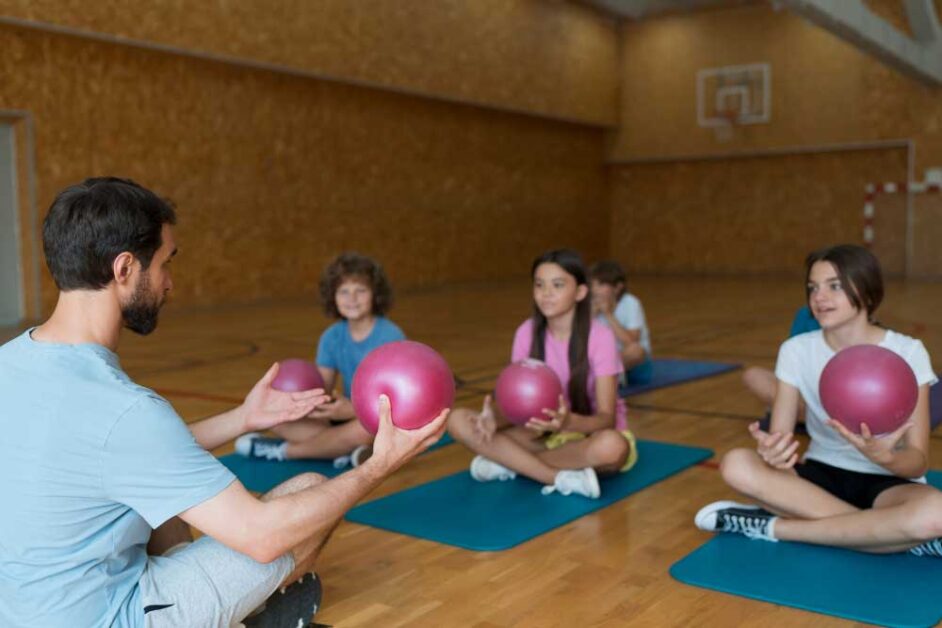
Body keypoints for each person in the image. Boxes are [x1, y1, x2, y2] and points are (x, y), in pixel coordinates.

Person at [0, 177, 448, 628]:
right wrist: (377, 466)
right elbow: (263, 537)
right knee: (307, 490)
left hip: (24, 611)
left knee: (164, 497)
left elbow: (123, 456)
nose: (169, 283)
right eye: (164, 264)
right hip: (114, 617)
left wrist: (243, 419)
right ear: (124, 270)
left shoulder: (10, 363)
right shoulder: (125, 410)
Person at [696, 244, 942, 557]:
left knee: (937, 513)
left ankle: (773, 528)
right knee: (736, 464)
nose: (819, 298)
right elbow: (781, 438)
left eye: (834, 286)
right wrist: (774, 453)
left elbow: (918, 460)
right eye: (813, 287)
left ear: (867, 291)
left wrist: (885, 458)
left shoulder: (908, 352)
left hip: (888, 484)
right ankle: (884, 533)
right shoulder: (796, 350)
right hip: (820, 476)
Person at [447, 249, 636, 500]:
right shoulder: (526, 332)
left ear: (580, 292)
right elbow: (517, 408)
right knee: (458, 419)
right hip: (542, 434)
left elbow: (607, 418)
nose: (546, 293)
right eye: (539, 284)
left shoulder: (600, 337)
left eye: (557, 285)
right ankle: (556, 477)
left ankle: (510, 463)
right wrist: (494, 418)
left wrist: (568, 423)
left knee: (612, 447)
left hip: (588, 433)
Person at [236, 253, 404, 467]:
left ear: (376, 295)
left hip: (378, 418)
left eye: (360, 291)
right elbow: (321, 388)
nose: (351, 299)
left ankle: (285, 451)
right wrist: (307, 405)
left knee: (364, 430)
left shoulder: (390, 337)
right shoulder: (331, 336)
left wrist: (353, 410)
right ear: (333, 297)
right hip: (342, 415)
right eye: (344, 291)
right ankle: (340, 450)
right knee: (277, 418)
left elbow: (394, 403)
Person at [589, 260, 653, 386]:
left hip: (633, 367)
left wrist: (608, 315)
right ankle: (604, 377)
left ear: (618, 287)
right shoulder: (590, 305)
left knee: (636, 350)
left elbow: (631, 342)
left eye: (601, 285)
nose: (595, 290)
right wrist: (591, 317)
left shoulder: (630, 303)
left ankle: (608, 377)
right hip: (603, 359)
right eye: (593, 284)